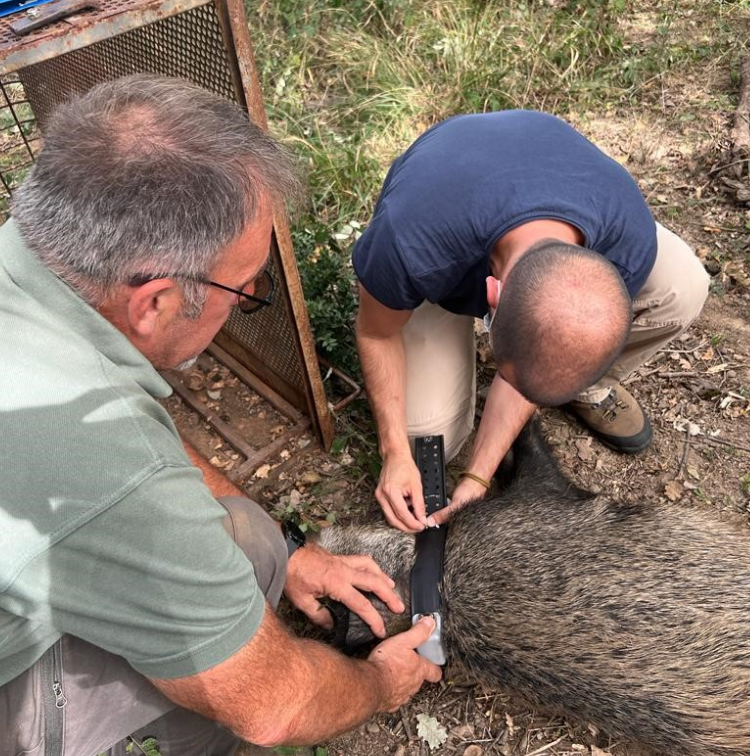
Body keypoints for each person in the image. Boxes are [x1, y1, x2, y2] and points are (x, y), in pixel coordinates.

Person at [0, 74, 441, 756]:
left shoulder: (27, 266)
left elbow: (130, 454)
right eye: (244, 289)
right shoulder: (114, 473)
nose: (244, 301)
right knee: (226, 682)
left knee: (252, 543)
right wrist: (382, 681)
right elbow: (277, 708)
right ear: (153, 303)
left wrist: (291, 552)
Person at [353, 110, 709, 533]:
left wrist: (478, 476)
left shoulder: (627, 240)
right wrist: (393, 451)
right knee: (428, 440)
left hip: (551, 184)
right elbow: (376, 332)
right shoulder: (410, 243)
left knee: (683, 286)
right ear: (490, 296)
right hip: (448, 200)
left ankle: (582, 382)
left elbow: (544, 345)